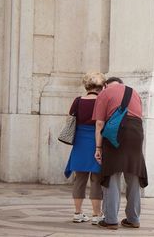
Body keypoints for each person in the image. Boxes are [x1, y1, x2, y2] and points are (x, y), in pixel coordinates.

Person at [92, 77, 148, 230]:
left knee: (112, 175)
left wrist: (98, 148)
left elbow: (99, 123)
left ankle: (110, 220)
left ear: (105, 85)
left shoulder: (105, 93)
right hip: (136, 133)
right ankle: (133, 218)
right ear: (122, 84)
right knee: (134, 175)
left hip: (115, 135)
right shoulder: (135, 93)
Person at [64, 72, 106, 225]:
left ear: (87, 86)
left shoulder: (78, 100)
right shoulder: (102, 101)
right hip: (96, 141)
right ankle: (96, 215)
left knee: (79, 180)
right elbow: (102, 123)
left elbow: (70, 119)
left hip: (80, 143)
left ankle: (77, 213)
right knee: (96, 180)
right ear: (101, 86)